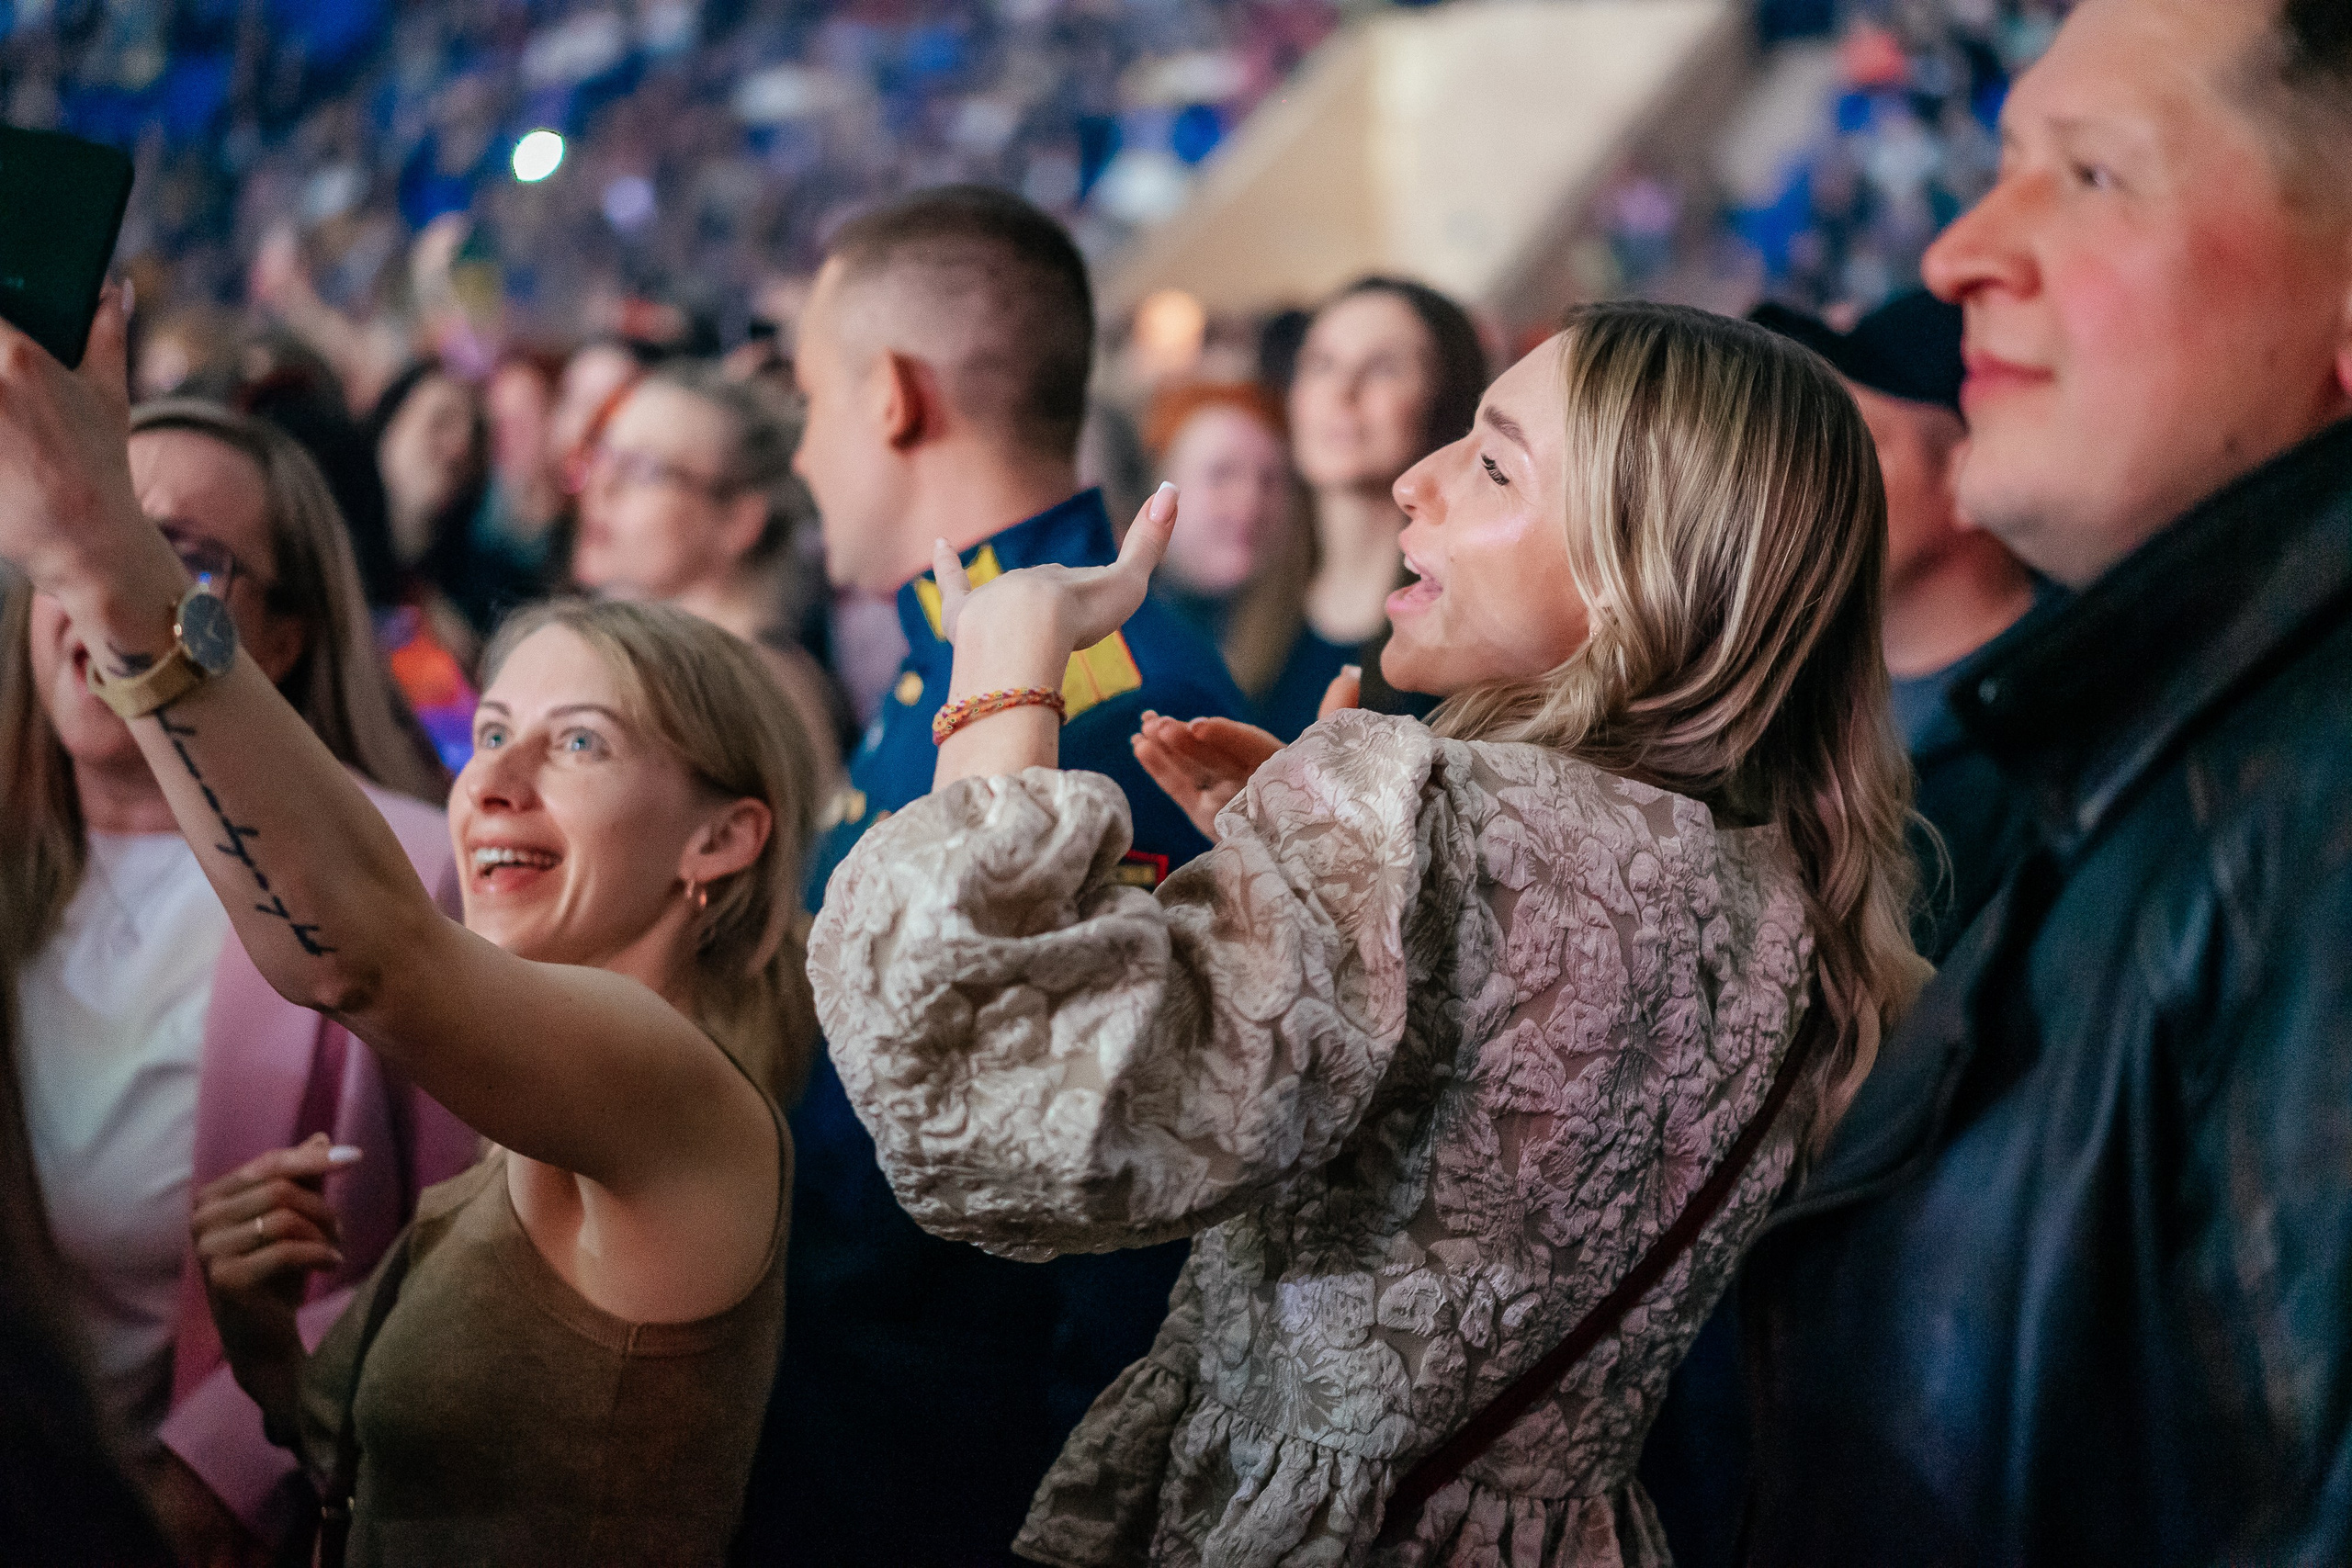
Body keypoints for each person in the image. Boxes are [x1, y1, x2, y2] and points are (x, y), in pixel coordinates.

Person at [809, 300, 1923, 1566]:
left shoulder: (1423, 810)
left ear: (1642, 568)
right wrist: (1320, 883)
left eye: (1493, 463)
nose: (1415, 478)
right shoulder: (1795, 902)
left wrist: (1007, 666)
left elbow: (995, 1083)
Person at [0, 291, 818, 1563]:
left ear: (720, 838)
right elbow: (425, 1478)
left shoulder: (678, 1088)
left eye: (579, 744)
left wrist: (105, 547)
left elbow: (361, 956)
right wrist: (269, 1356)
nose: (491, 783)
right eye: (489, 732)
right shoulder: (523, 1127)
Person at [1738, 1, 2352, 1562]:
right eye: (2003, 162)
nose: (1958, 255)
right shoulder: (2185, 757)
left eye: (2090, 175)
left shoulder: (2315, 833)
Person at [735, 185, 1248, 1568]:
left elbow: (1126, 1181)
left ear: (893, 396)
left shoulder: (1108, 698)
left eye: (810, 401)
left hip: (965, 1461)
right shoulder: (952, 653)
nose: (803, 453)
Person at [0, 400, 469, 1562]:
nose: (103, 584)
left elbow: (463, 1259)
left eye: (176, 556)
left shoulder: (405, 877)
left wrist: (216, 1478)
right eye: (75, 539)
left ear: (284, 637)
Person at [1749, 292, 2043, 960]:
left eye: (1845, 446)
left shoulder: (2091, 684)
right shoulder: (1794, 757)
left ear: (1971, 468)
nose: (1786, 493)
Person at [571, 362, 845, 782]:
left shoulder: (749, 691)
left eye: (644, 468)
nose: (601, 487)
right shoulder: (662, 661)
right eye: (604, 455)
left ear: (739, 520)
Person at [1255, 276, 1487, 739]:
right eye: (1322, 364)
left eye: (1383, 368)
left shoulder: (1473, 640)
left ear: (1445, 402)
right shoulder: (1247, 605)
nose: (1342, 391)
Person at [1142, 380, 1306, 700]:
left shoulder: (1307, 650)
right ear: (1159, 487)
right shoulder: (1108, 634)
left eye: (1270, 480)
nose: (1250, 503)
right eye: (1221, 474)